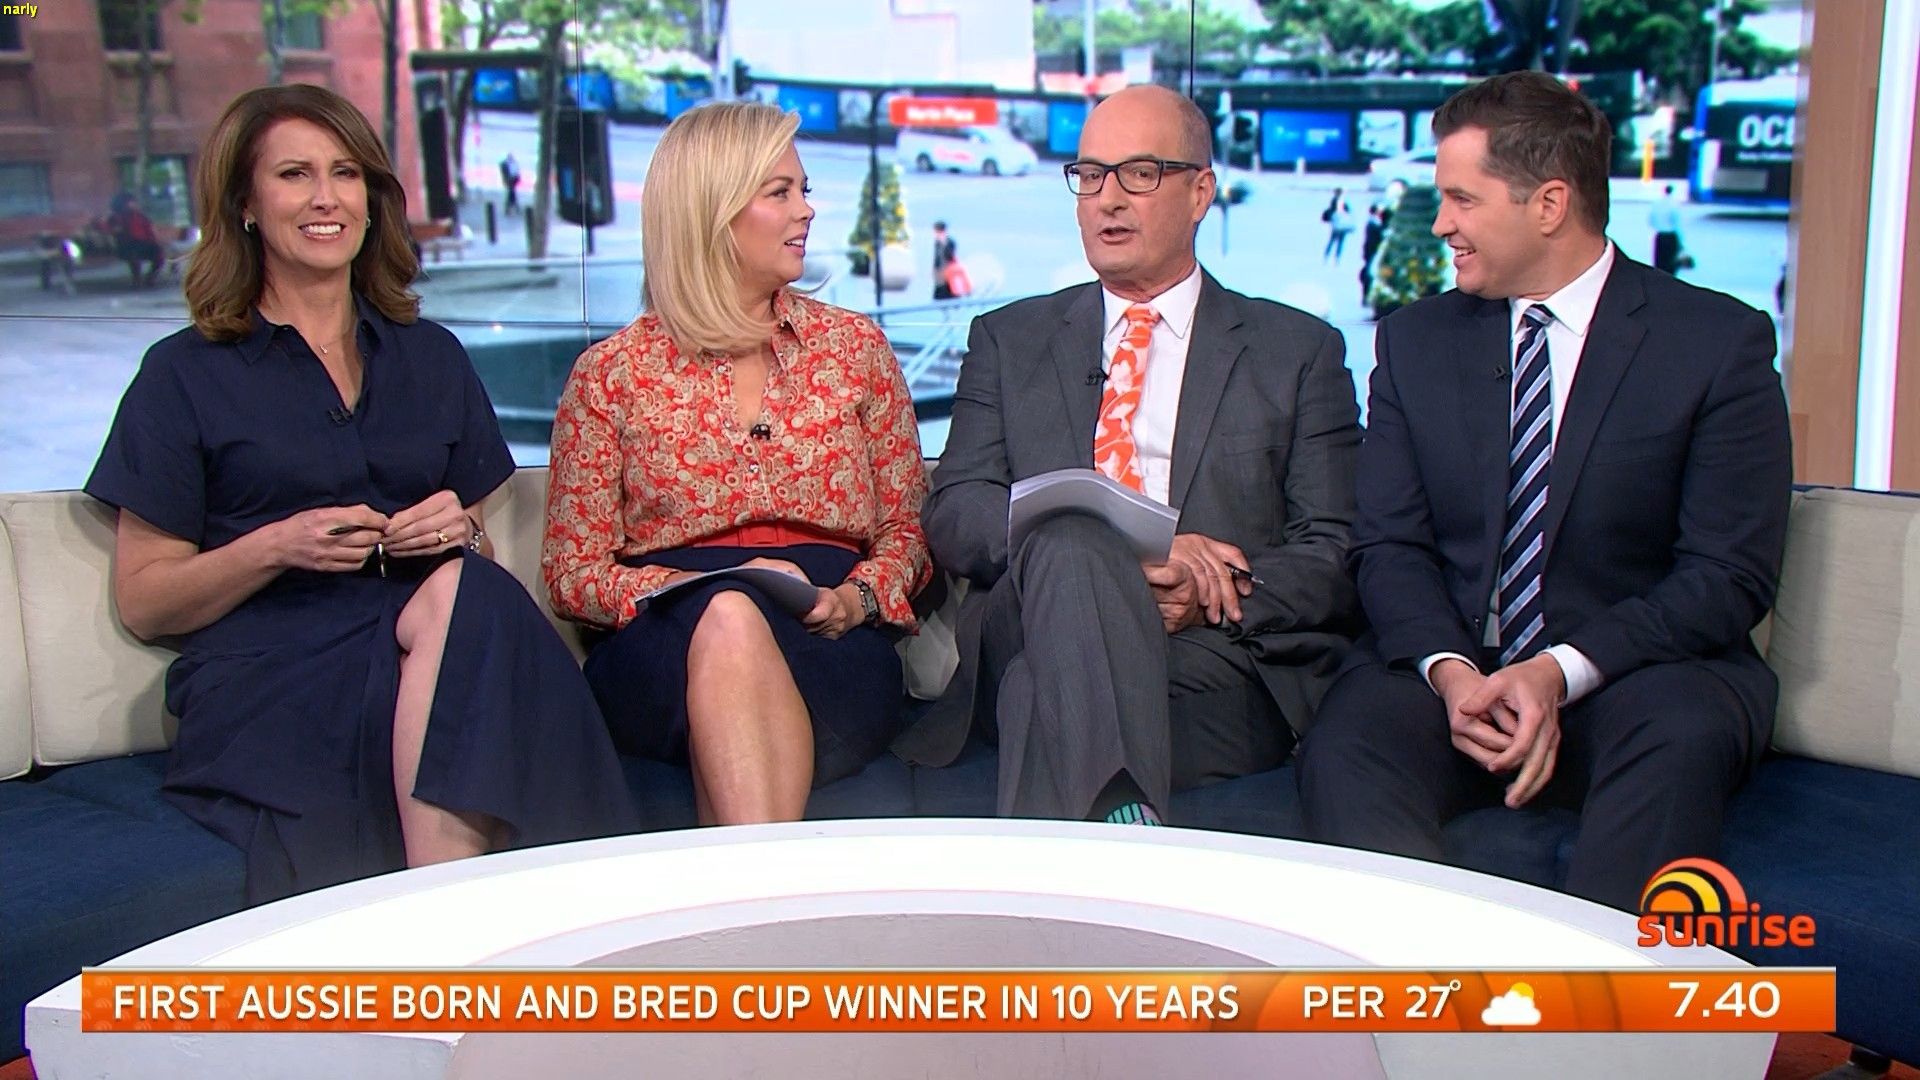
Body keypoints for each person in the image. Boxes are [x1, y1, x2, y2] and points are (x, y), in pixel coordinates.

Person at [83, 84, 638, 904]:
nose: (326, 198)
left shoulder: (431, 355)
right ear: (245, 205)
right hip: (276, 669)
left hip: (433, 640)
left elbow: (476, 540)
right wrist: (276, 546)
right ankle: (495, 922)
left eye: (345, 173)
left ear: (372, 199)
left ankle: (456, 921)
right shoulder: (182, 374)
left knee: (471, 590)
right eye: (294, 175)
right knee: (478, 655)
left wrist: (459, 531)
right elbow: (145, 601)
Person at [1296, 72, 1792, 911]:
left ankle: (1593, 995)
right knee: (1352, 738)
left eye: (1462, 199)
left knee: (1678, 735)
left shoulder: (1714, 344)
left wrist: (1558, 673)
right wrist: (1453, 674)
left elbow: (1728, 573)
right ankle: (1409, 983)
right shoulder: (1416, 342)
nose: (1441, 223)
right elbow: (1389, 545)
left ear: (1550, 203)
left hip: (1635, 671)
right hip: (1459, 669)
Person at [894, 85, 1362, 826]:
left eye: (1139, 173)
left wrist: (1206, 585)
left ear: (1200, 191)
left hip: (1206, 650)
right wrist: (1128, 551)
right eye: (1090, 175)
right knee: (1073, 535)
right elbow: (956, 512)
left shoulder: (1296, 351)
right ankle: (1124, 827)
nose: (1107, 199)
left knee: (1036, 693)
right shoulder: (1009, 339)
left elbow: (1334, 550)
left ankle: (1110, 827)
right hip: (1030, 614)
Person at [543, 101, 931, 826]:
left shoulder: (855, 350)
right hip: (667, 640)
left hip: (828, 636)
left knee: (738, 622)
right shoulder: (611, 374)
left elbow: (907, 535)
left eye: (804, 189)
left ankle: (742, 886)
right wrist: (699, 588)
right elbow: (572, 573)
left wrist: (856, 600)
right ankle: (767, 886)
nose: (807, 210)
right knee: (728, 616)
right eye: (780, 192)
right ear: (711, 212)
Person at [108, 192, 166, 287]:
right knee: (133, 255)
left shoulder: (140, 216)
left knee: (158, 254)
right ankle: (137, 278)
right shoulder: (117, 217)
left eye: (133, 202)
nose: (134, 204)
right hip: (128, 244)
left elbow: (150, 230)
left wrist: (155, 240)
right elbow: (114, 231)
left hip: (145, 243)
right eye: (131, 202)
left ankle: (150, 277)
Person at [1358, 204, 1388, 306]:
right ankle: (1367, 296)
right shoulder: (1373, 223)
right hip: (1372, 252)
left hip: (1371, 251)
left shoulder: (1375, 223)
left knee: (1369, 273)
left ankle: (1367, 296)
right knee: (1369, 274)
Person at [1649, 183, 1683, 274]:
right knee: (1670, 262)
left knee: (1659, 261)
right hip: (1670, 236)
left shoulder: (1657, 203)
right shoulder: (1674, 204)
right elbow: (1676, 221)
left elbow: (1651, 220)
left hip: (1660, 235)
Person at [931, 220, 959, 301]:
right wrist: (934, 269)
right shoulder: (937, 242)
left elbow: (950, 256)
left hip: (948, 271)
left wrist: (944, 243)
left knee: (948, 292)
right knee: (939, 294)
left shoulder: (950, 242)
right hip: (940, 272)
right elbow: (937, 257)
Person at [1324, 199, 1356, 263]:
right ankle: (1335, 257)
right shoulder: (1341, 212)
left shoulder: (1335, 212)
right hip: (1340, 229)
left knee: (1333, 242)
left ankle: (1329, 256)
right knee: (1338, 243)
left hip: (1337, 229)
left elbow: (1330, 219)